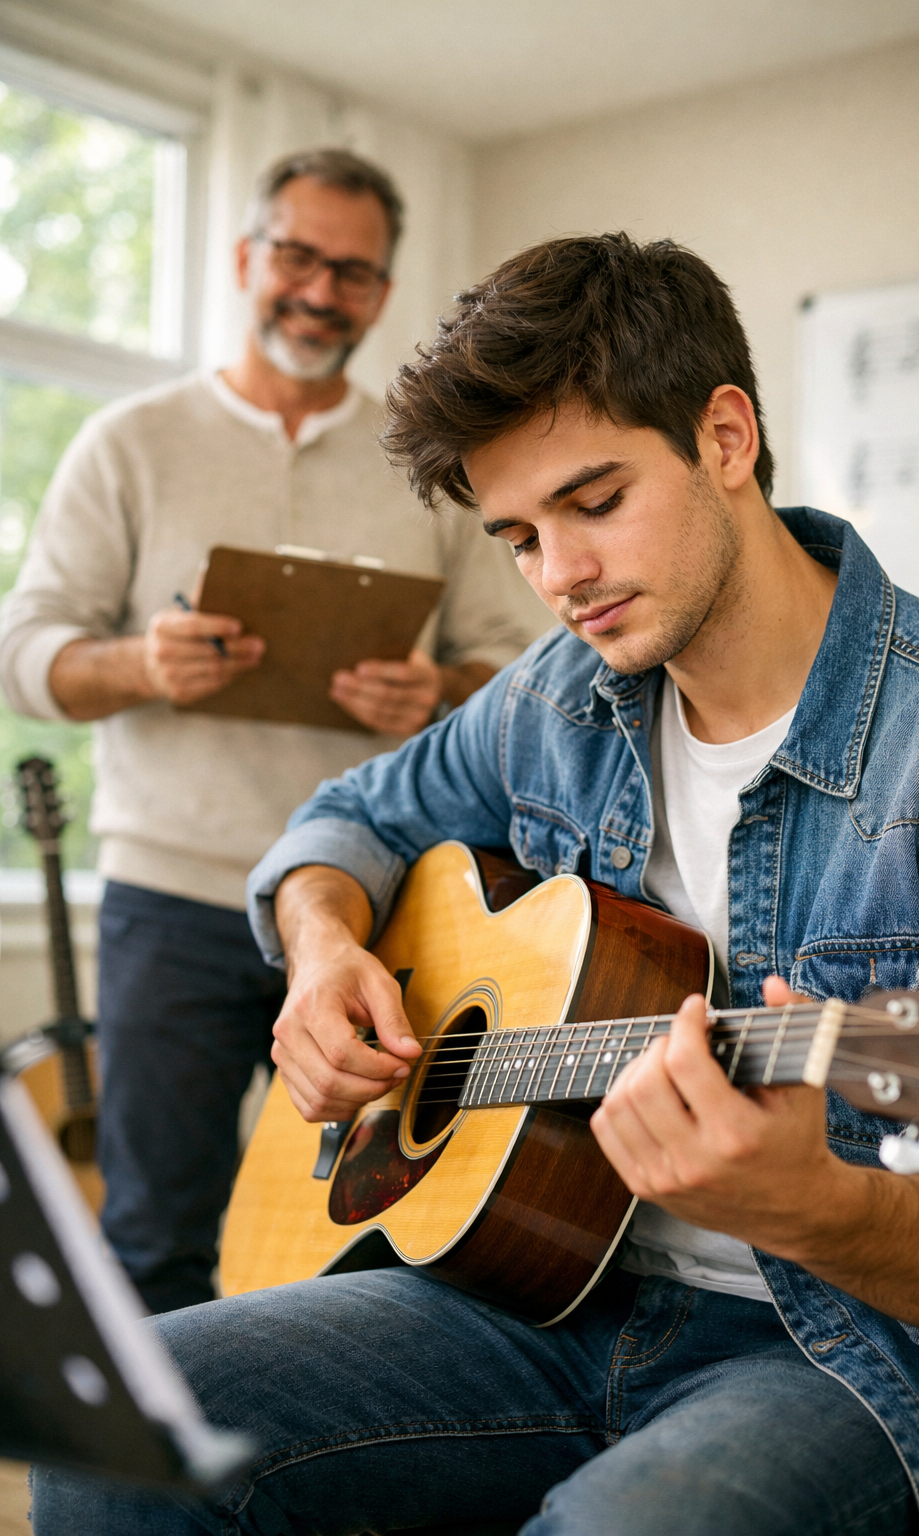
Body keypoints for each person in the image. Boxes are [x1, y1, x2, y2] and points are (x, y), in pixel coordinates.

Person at [31, 234, 919, 1536]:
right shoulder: (563, 697)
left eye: (595, 501)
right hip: (539, 1294)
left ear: (726, 436)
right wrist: (326, 949)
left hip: (845, 1350)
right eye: (517, 538)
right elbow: (346, 818)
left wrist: (817, 1205)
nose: (560, 578)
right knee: (115, 1433)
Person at [0, 148, 546, 1316]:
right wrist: (140, 661)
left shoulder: (427, 461)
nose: (318, 289)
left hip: (381, 912)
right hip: (176, 903)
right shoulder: (128, 443)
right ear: (247, 259)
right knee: (154, 1238)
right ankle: (150, 1495)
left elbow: (523, 663)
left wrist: (437, 686)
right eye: (296, 255)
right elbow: (25, 655)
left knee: (399, 1233)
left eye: (352, 271)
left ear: (383, 294)